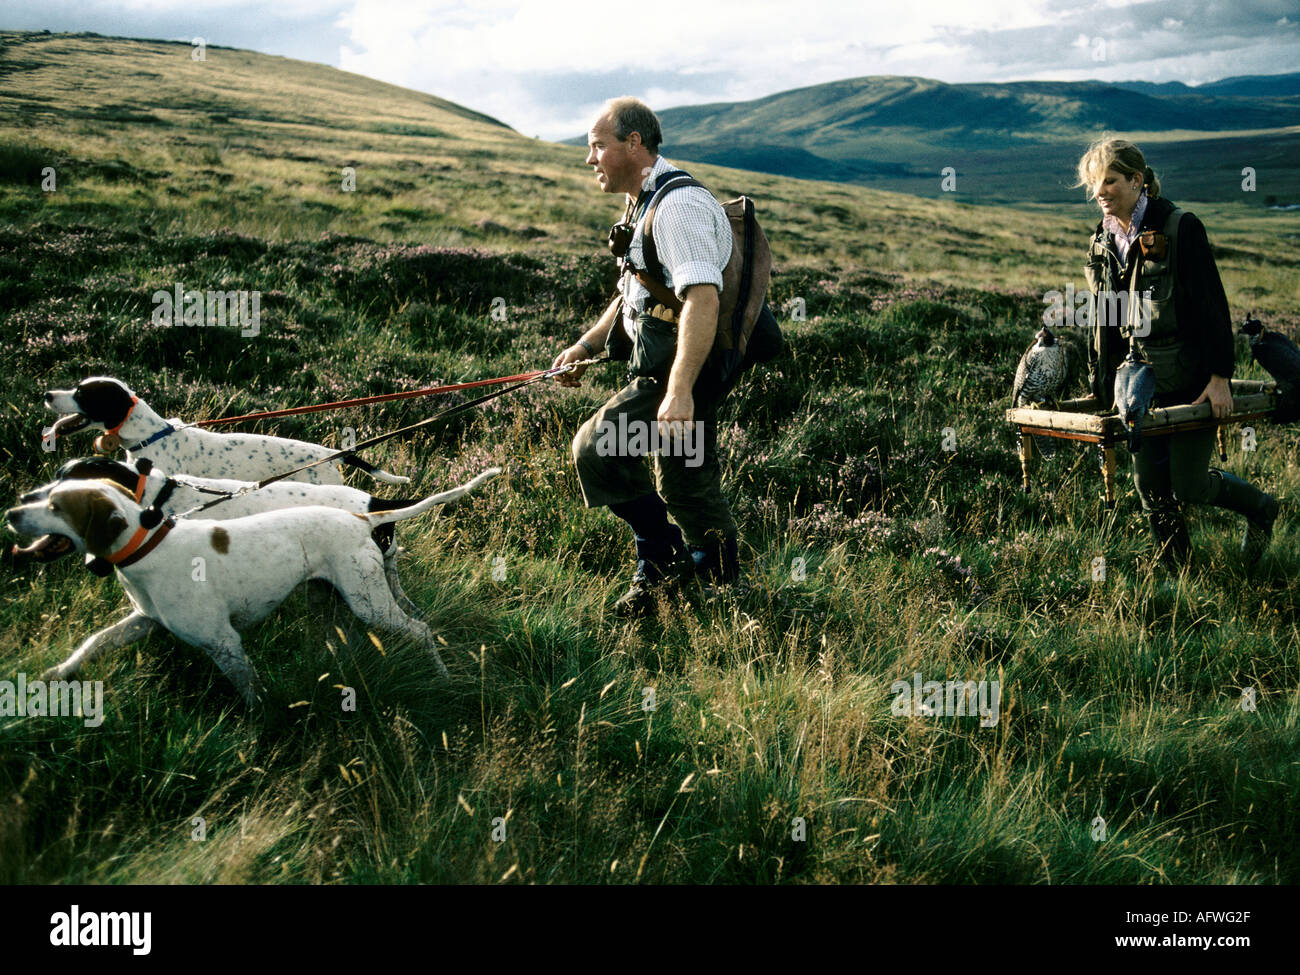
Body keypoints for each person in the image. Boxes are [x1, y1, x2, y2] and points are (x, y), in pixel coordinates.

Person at [551, 97, 740, 617]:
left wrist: (679, 390)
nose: (591, 159)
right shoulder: (644, 199)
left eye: (598, 146)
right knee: (687, 483)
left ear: (633, 144)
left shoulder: (677, 208)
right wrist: (588, 345)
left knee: (597, 446)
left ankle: (662, 555)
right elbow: (637, 291)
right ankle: (718, 596)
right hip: (677, 368)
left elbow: (702, 297)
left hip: (680, 370)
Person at [1078, 137, 1280, 567]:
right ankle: (1178, 576)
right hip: (1136, 388)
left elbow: (1212, 305)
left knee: (1188, 485)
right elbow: (1107, 322)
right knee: (1149, 488)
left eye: (1109, 180)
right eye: (1094, 182)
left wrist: (1220, 378)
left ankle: (1262, 509)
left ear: (1137, 180)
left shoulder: (1180, 226)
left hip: (1189, 380)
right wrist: (1105, 386)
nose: (1100, 191)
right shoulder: (1102, 240)